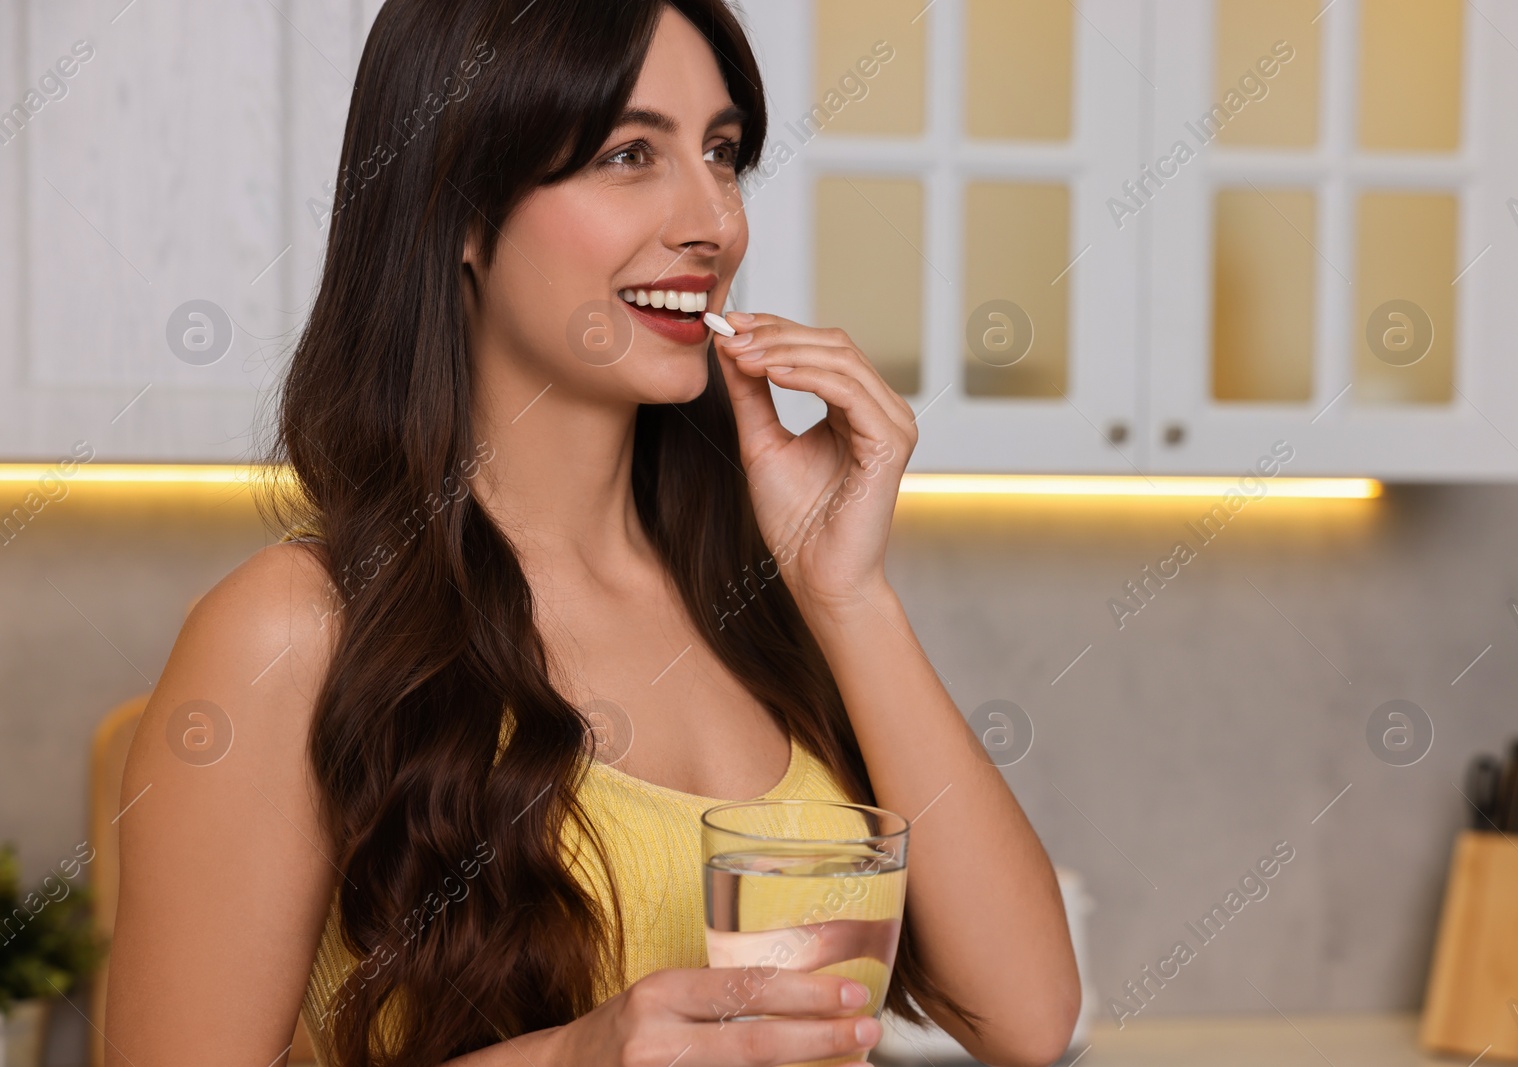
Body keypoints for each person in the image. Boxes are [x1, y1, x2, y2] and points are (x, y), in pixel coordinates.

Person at [103, 2, 1079, 1064]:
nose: (713, 218)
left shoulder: (760, 597)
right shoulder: (290, 632)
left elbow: (1026, 1019)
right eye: (628, 153)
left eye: (721, 153)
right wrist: (570, 1056)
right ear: (462, 212)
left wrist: (848, 594)